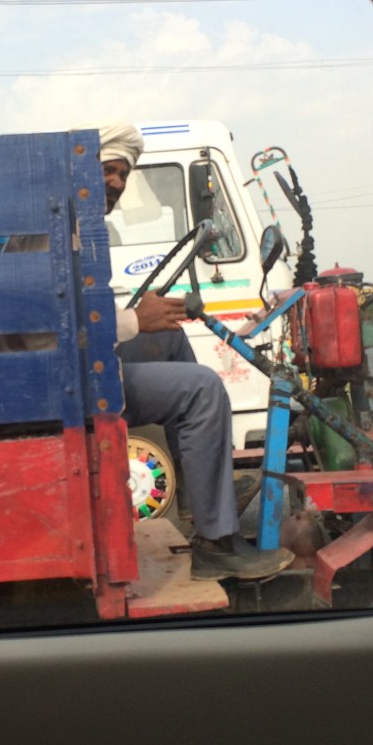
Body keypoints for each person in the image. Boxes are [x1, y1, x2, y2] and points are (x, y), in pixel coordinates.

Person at [91, 121, 294, 581]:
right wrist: (133, 320)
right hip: (72, 382)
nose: (117, 184)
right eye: (109, 170)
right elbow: (61, 330)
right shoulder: (67, 230)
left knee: (171, 337)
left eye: (124, 175)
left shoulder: (84, 228)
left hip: (81, 366)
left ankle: (200, 501)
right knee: (202, 389)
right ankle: (215, 542)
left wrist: (145, 319)